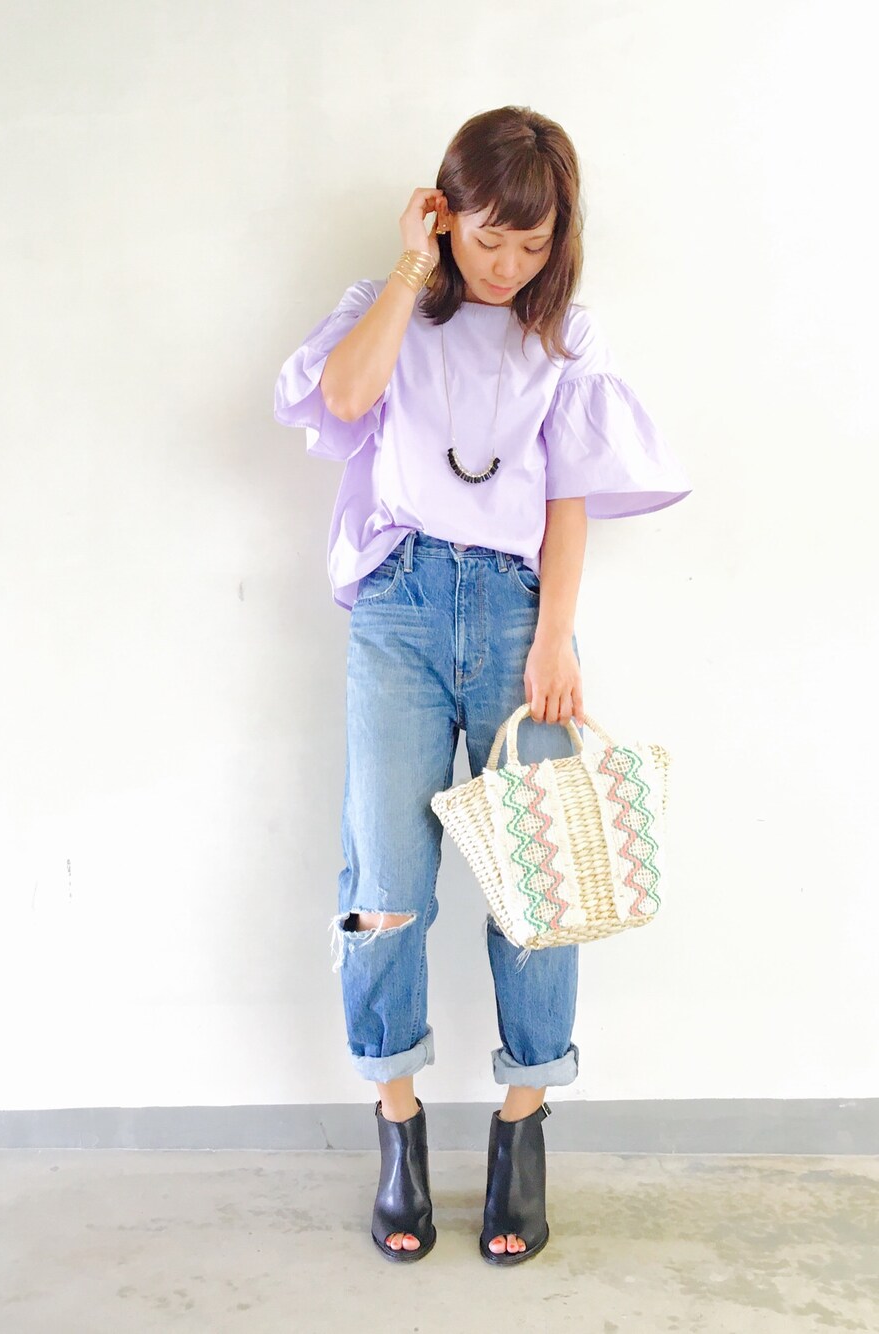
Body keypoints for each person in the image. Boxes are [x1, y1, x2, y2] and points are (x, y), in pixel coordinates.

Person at [273, 105, 691, 1267]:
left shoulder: (568, 341)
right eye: (485, 236)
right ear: (443, 215)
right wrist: (413, 266)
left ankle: (522, 1126)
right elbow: (342, 399)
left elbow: (567, 500)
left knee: (541, 883)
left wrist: (555, 638)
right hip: (399, 608)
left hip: (515, 612)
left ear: (561, 237)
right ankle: (397, 1128)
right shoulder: (392, 307)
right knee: (382, 884)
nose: (505, 265)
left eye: (531, 242)